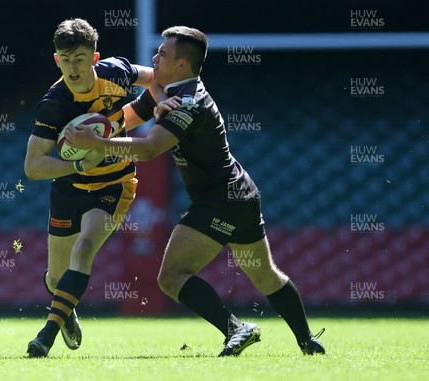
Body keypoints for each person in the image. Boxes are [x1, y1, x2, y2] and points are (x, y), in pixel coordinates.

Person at [65, 26, 326, 356]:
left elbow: (148, 150)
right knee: (265, 276)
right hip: (239, 195)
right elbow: (127, 119)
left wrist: (97, 144)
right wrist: (89, 127)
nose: (154, 57)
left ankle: (236, 328)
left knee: (171, 277)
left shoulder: (189, 103)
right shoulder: (173, 91)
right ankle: (308, 343)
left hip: (219, 199)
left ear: (182, 64)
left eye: (162, 53)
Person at [23, 18, 155, 358]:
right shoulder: (55, 103)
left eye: (80, 59)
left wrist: (127, 122)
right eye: (65, 60)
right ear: (56, 60)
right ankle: (66, 308)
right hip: (69, 188)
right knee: (56, 279)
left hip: (115, 184)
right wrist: (80, 164)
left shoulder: (116, 73)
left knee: (83, 250)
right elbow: (33, 166)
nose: (73, 67)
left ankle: (45, 337)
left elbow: (159, 80)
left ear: (95, 58)